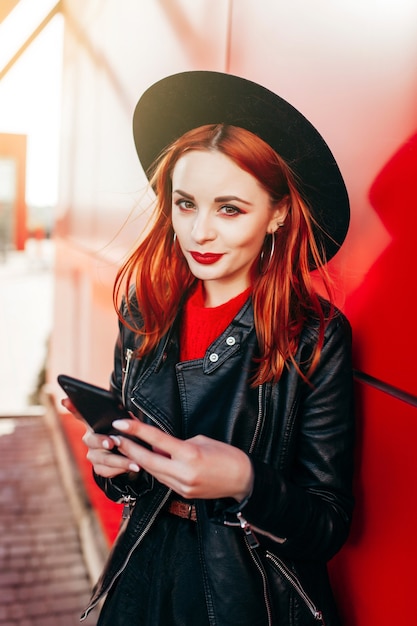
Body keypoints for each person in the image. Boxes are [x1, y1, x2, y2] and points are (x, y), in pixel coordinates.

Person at [66, 71, 354, 626]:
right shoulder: (143, 311)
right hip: (142, 577)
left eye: (229, 209)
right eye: (185, 203)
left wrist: (246, 481)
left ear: (277, 214)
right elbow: (125, 459)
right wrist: (111, 464)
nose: (198, 232)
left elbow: (328, 524)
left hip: (249, 594)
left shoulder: (315, 336)